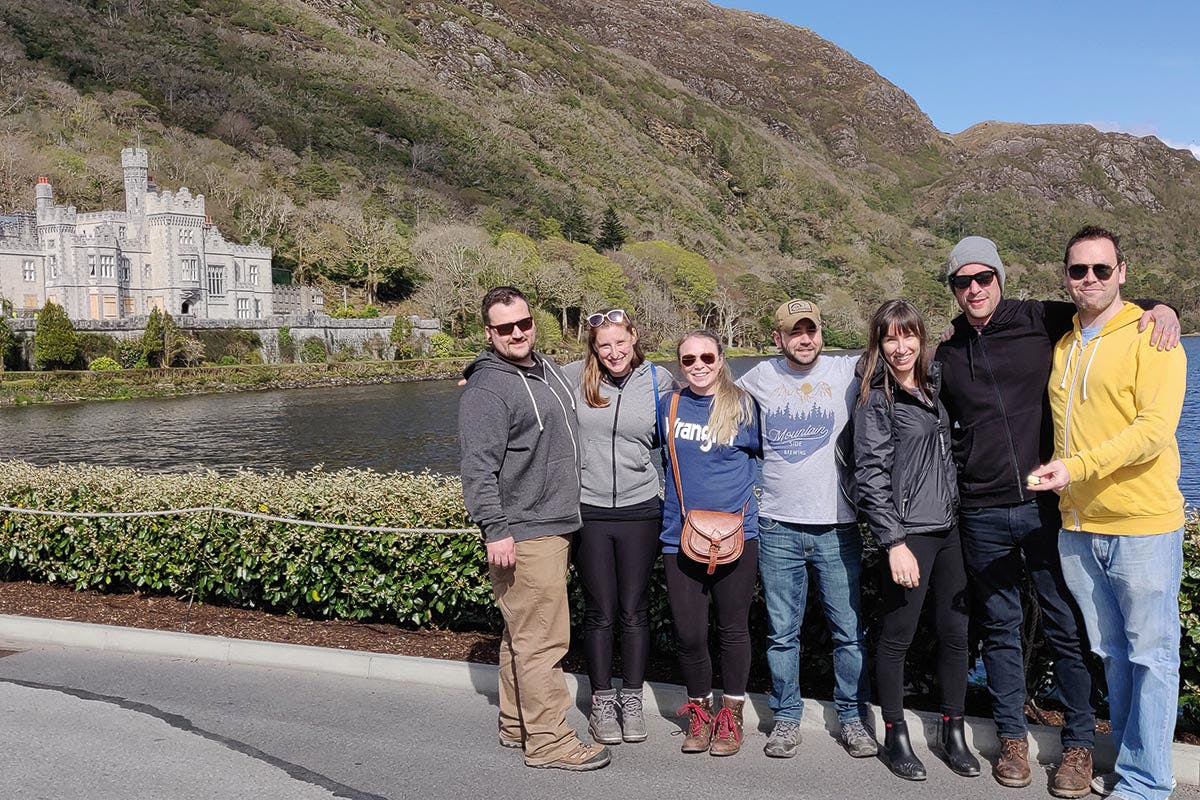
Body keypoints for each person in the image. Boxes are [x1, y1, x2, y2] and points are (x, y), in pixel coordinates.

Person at [935, 235, 1180, 796]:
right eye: (962, 281)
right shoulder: (948, 353)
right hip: (982, 510)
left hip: (1049, 504)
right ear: (953, 288)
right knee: (999, 629)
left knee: (1068, 629)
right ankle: (1013, 740)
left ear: (1000, 278)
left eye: (984, 278)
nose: (975, 289)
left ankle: (1078, 746)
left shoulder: (1041, 318)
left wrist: (1161, 307)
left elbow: (1111, 306)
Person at [1030, 226, 1188, 800]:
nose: (1089, 279)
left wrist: (1075, 469)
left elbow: (1152, 433)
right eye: (1078, 271)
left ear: (1122, 271)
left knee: (1151, 656)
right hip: (1078, 529)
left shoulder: (1154, 337)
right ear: (1065, 277)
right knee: (1115, 655)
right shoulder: (1067, 344)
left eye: (1101, 269)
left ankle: (1148, 783)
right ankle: (1131, 763)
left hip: (1142, 526)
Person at [458, 286, 611, 771]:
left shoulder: (541, 369)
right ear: (489, 332)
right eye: (504, 328)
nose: (517, 332)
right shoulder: (487, 389)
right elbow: (477, 469)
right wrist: (495, 528)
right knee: (543, 640)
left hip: (552, 523)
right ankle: (549, 742)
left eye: (523, 323)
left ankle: (515, 724)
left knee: (519, 634)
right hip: (525, 529)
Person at [736, 299, 876, 759]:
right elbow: (707, 393)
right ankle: (786, 719)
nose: (805, 339)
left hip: (838, 526)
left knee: (848, 632)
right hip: (777, 525)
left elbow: (902, 350)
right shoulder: (758, 377)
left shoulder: (846, 369)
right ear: (778, 338)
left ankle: (853, 718)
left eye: (811, 330)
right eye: (795, 332)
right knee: (781, 633)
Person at [853, 299, 979, 782]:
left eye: (909, 336)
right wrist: (893, 541)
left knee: (955, 635)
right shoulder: (876, 397)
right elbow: (870, 474)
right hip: (910, 535)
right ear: (879, 343)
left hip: (951, 528)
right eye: (890, 337)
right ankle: (895, 734)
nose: (901, 347)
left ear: (921, 338)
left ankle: (953, 731)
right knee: (897, 639)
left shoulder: (933, 383)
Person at [561, 308, 673, 746]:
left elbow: (705, 400)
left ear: (634, 337)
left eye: (620, 342)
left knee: (634, 609)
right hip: (588, 508)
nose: (613, 352)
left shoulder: (658, 380)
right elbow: (524, 368)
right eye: (604, 345)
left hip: (640, 508)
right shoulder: (575, 376)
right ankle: (602, 699)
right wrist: (478, 369)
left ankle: (631, 697)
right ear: (594, 347)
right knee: (600, 610)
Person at [661, 330, 761, 757]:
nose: (698, 365)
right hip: (679, 533)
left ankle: (731, 715)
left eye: (706, 356)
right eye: (688, 360)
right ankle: (699, 712)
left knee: (734, 628)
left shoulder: (743, 406)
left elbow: (762, 459)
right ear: (679, 365)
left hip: (738, 533)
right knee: (688, 632)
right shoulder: (670, 406)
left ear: (721, 359)